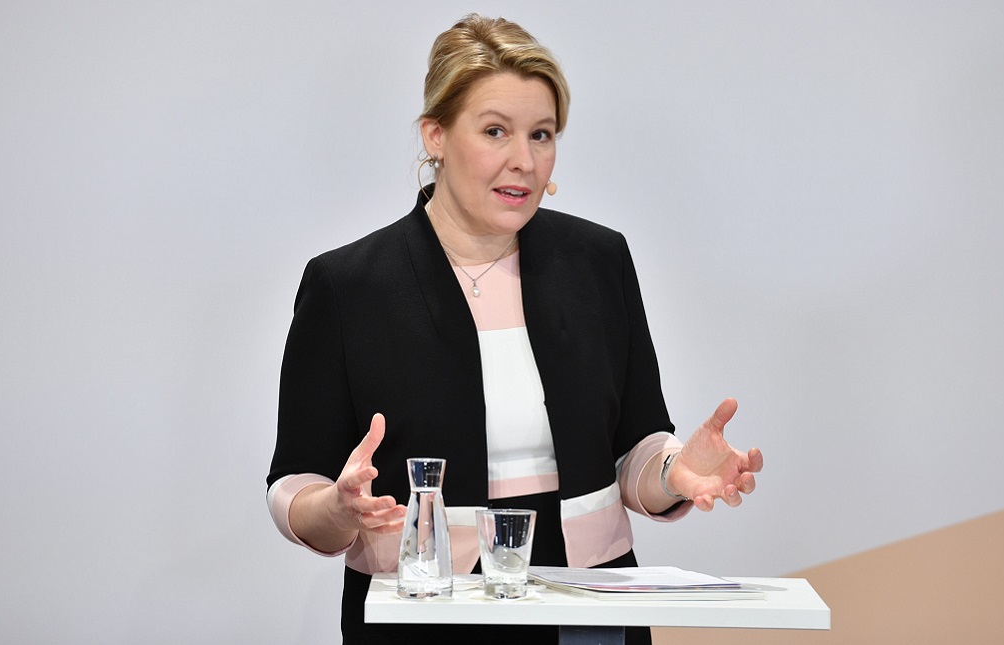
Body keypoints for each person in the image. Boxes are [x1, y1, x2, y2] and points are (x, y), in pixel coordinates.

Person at [266, 14, 763, 645]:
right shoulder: (348, 286)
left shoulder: (599, 260)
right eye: (495, 131)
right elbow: (295, 484)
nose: (523, 161)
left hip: (588, 609)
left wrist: (672, 473)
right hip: (423, 612)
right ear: (436, 135)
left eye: (541, 134)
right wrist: (338, 509)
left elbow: (633, 446)